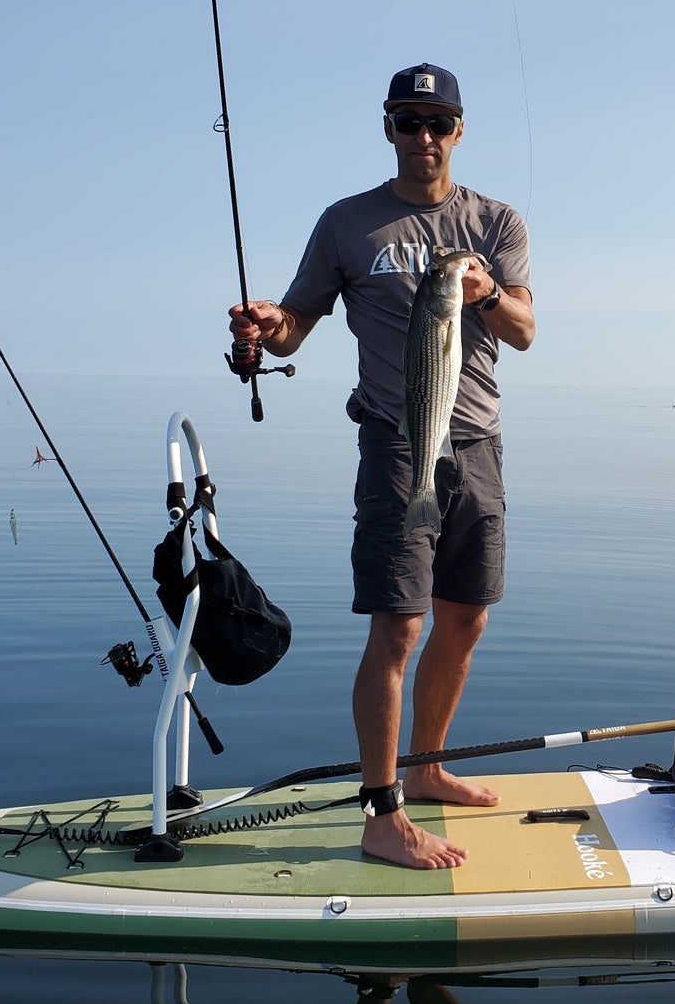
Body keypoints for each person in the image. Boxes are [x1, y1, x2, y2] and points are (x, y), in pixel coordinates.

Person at [228, 63, 535, 870]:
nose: (423, 137)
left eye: (438, 123)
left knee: (466, 617)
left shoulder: (496, 221)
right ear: (389, 128)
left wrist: (483, 292)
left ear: (459, 131)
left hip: (479, 445)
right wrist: (267, 325)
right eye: (408, 121)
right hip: (397, 444)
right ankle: (381, 812)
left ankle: (427, 768)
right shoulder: (347, 224)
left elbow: (525, 329)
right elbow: (296, 324)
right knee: (398, 626)